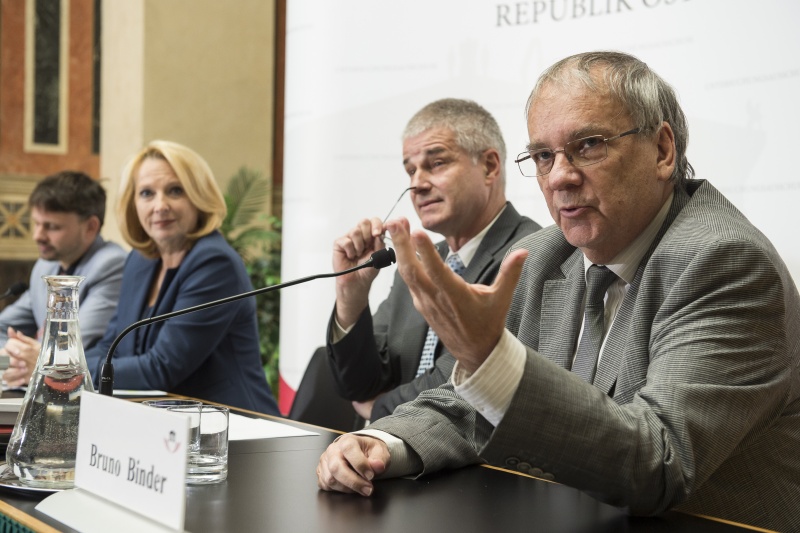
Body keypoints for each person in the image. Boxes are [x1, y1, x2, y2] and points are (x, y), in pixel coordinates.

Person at [315, 51, 800, 532]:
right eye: (544, 156)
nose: (561, 176)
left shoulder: (726, 261)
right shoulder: (546, 254)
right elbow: (475, 405)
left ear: (662, 150)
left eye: (589, 145)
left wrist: (493, 360)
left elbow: (659, 461)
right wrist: (383, 443)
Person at [327, 98, 541, 423]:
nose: (417, 184)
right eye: (410, 170)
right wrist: (350, 296)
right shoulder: (418, 261)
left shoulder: (529, 253)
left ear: (489, 166)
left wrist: (378, 409)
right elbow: (360, 383)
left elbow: (465, 377)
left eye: (436, 163)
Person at [83, 140, 280, 415]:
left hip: (233, 430)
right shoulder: (139, 261)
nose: (160, 205)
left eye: (175, 191)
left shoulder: (214, 263)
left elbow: (160, 368)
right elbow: (111, 346)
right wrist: (70, 366)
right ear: (133, 204)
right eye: (147, 193)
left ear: (199, 197)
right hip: (164, 425)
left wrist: (70, 372)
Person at [1, 171, 126, 388]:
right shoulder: (46, 265)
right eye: (36, 223)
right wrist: (15, 355)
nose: (37, 235)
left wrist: (31, 356)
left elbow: (69, 348)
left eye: (51, 227)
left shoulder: (112, 265)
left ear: (90, 227)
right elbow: (3, 327)